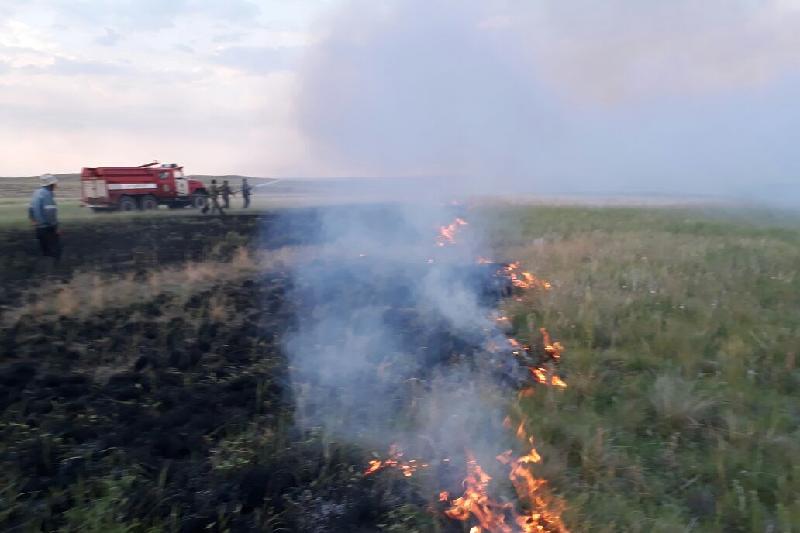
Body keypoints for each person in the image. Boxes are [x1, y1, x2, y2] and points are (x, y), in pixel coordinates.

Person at [29, 173, 62, 263]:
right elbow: (50, 212)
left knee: (45, 251)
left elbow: (30, 208)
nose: (56, 186)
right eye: (55, 184)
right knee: (56, 251)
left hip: (38, 228)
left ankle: (45, 273)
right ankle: (56, 272)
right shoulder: (47, 194)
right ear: (51, 184)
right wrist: (56, 227)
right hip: (48, 228)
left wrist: (33, 220)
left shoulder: (36, 193)